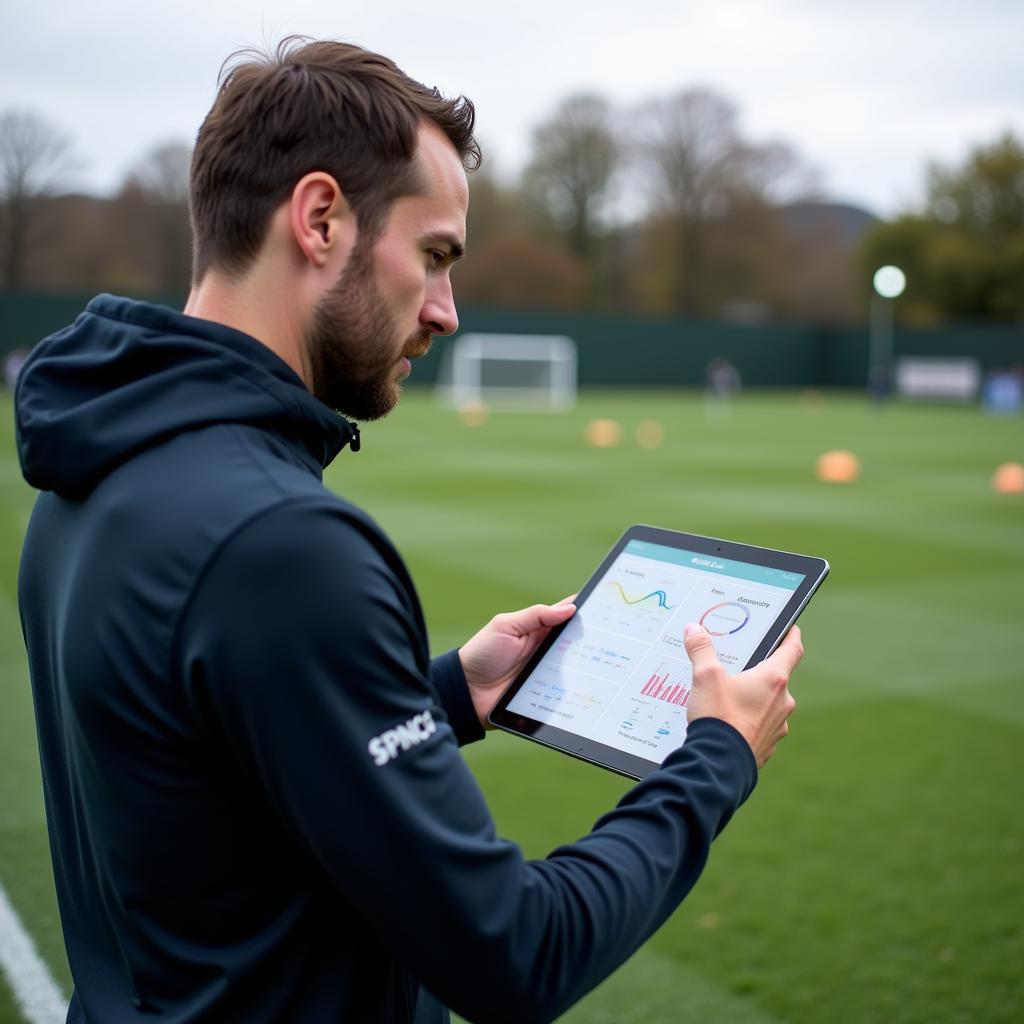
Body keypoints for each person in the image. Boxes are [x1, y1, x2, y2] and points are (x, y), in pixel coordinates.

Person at [16, 39, 802, 1024]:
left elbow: (199, 773)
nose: (446, 311)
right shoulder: (282, 543)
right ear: (320, 219)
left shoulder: (86, 469)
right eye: (433, 256)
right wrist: (715, 757)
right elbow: (515, 952)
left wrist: (446, 695)